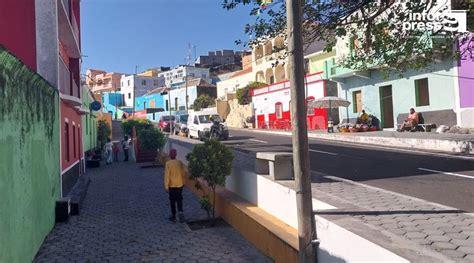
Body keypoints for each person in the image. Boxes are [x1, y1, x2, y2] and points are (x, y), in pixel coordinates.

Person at [164, 149, 186, 223]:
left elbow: (167, 176)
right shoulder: (180, 163)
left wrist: (166, 186)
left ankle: (173, 216)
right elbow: (183, 174)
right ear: (176, 155)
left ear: (170, 155)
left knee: (172, 201)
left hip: (171, 185)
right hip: (180, 184)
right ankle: (180, 211)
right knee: (179, 199)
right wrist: (183, 182)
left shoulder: (168, 164)